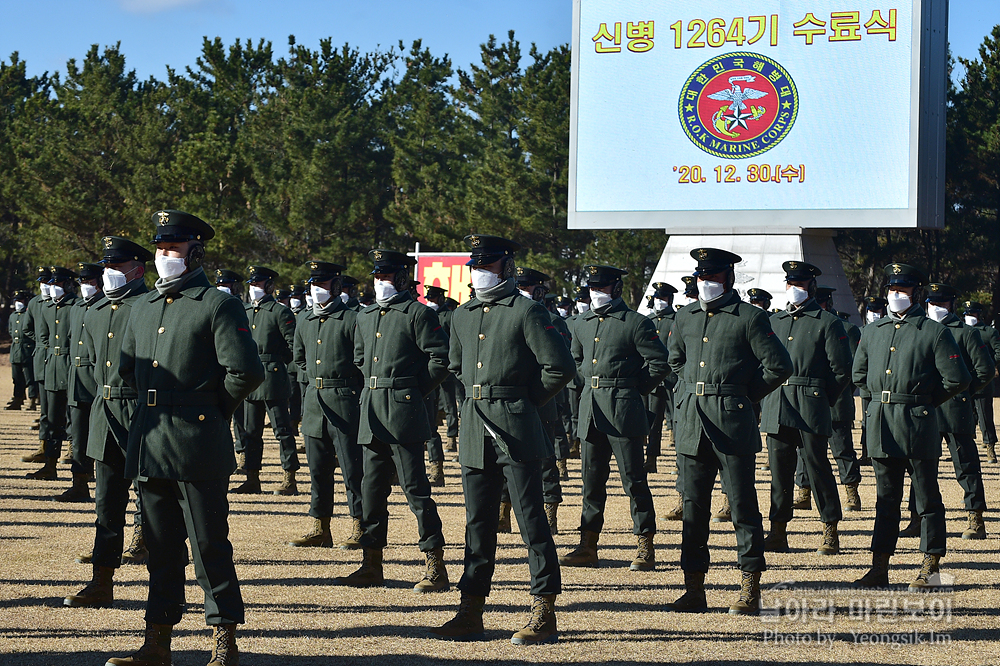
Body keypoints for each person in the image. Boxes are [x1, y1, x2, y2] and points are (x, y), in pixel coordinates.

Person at [109, 210, 265, 666]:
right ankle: (157, 641)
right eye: (159, 248)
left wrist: (212, 411)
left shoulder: (216, 303)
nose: (164, 256)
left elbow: (246, 372)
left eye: (173, 248)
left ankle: (224, 640)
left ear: (195, 252)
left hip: (198, 443)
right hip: (151, 441)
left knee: (209, 546)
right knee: (160, 548)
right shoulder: (140, 307)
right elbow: (126, 372)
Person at [430, 234, 575, 645]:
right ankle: (470, 610)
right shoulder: (462, 314)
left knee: (531, 523)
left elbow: (559, 367)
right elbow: (456, 366)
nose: (480, 272)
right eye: (476, 265)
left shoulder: (526, 311)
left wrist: (523, 401)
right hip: (476, 426)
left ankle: (543, 611)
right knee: (478, 524)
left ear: (507, 268)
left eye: (489, 265)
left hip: (517, 427)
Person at [666, 248, 792, 615]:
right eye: (701, 277)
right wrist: (688, 388)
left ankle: (749, 585)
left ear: (729, 279)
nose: (706, 284)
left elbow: (778, 365)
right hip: (691, 423)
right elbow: (675, 359)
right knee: (693, 508)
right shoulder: (685, 316)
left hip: (732, 421)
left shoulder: (750, 318)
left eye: (713, 277)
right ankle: (694, 588)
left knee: (742, 505)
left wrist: (743, 394)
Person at [335, 249, 450, 592]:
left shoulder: (418, 314)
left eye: (386, 277)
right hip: (372, 414)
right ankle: (371, 564)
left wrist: (411, 391)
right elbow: (359, 359)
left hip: (404, 413)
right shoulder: (366, 316)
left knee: (416, 492)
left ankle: (435, 566)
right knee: (371, 492)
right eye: (377, 277)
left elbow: (439, 359)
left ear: (402, 279)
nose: (380, 283)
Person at [852, 264, 970, 591]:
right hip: (882, 425)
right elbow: (859, 375)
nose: (895, 295)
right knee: (885, 500)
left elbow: (958, 378)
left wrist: (925, 401)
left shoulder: (933, 331)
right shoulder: (873, 331)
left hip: (918, 423)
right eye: (892, 289)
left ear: (915, 293)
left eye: (902, 290)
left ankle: (929, 568)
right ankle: (879, 567)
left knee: (926, 499)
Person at [560, 265, 669, 572]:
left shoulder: (635, 323)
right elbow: (577, 360)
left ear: (617, 289)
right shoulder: (581, 323)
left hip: (623, 411)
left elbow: (659, 363)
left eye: (602, 288)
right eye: (592, 287)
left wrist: (632, 390)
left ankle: (645, 545)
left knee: (633, 480)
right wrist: (591, 385)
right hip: (591, 411)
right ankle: (588, 545)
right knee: (591, 483)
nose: (596, 293)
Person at [64, 236, 154, 609]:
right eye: (107, 266)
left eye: (117, 266)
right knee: (107, 501)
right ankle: (102, 579)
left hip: (144, 412)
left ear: (138, 268)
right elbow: (89, 368)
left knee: (154, 498)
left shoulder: (149, 307)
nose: (109, 272)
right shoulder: (98, 310)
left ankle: (162, 577)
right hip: (106, 411)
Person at [759, 263, 852, 556]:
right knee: (779, 472)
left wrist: (822, 399)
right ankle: (778, 531)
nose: (794, 289)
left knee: (817, 467)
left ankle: (830, 528)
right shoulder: (775, 321)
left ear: (811, 287)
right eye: (790, 283)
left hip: (811, 402)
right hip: (778, 402)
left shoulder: (827, 322)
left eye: (800, 284)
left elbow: (841, 370)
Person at [897, 284, 994, 540]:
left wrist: (963, 393)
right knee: (918, 467)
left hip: (955, 410)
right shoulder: (920, 330)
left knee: (965, 465)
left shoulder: (966, 333)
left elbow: (984, 370)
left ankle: (975, 518)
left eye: (941, 304)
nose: (936, 308)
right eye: (932, 303)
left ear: (952, 304)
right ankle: (916, 518)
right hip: (924, 411)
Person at [289, 261, 365, 550]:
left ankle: (360, 525)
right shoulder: (305, 319)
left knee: (352, 471)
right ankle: (320, 527)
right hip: (314, 404)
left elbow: (360, 360)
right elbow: (299, 358)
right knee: (317, 471)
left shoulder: (351, 319)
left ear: (335, 286)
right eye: (313, 284)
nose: (316, 290)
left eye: (322, 284)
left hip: (344, 404)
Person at [792, 287, 864, 512]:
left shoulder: (848, 329)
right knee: (804, 451)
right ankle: (803, 492)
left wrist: (834, 392)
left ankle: (851, 491)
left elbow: (849, 368)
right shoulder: (801, 324)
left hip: (836, 400)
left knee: (842, 448)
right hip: (808, 402)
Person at [231, 266, 300, 496]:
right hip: (252, 379)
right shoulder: (246, 311)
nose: (254, 289)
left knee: (282, 431)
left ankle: (289, 477)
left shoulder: (280, 312)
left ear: (270, 287)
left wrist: (278, 365)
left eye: (258, 285)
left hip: (273, 378)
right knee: (251, 432)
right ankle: (252, 478)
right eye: (252, 285)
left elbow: (293, 347)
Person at [54, 262, 104, 502]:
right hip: (76, 378)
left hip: (97, 378)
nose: (86, 286)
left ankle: (107, 487)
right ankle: (79, 484)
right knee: (79, 434)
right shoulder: (76, 308)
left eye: (90, 282)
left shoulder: (105, 306)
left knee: (103, 436)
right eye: (83, 282)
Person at [28, 266, 80, 480]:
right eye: (52, 284)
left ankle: (79, 469)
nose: (53, 288)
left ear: (68, 285)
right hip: (52, 365)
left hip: (70, 365)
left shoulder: (77, 306)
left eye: (57, 284)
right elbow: (43, 335)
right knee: (51, 419)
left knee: (75, 420)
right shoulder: (48, 307)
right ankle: (50, 464)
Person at [645, 282, 678, 476]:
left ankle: (679, 461)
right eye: (657, 298)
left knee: (678, 421)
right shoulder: (648, 321)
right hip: (655, 379)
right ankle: (651, 459)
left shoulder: (676, 320)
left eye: (663, 299)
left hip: (673, 378)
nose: (659, 302)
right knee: (653, 422)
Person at [963, 301, 1000, 463]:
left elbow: (998, 352)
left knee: (985, 416)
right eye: (967, 314)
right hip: (965, 380)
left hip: (982, 380)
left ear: (980, 315)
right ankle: (963, 450)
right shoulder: (962, 331)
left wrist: (989, 366)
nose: (969, 317)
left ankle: (990, 447)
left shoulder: (989, 333)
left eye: (972, 314)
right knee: (964, 416)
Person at [6, 290, 36, 411]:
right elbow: (11, 331)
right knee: (16, 378)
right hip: (16, 350)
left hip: (27, 350)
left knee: (30, 378)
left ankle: (33, 400)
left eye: (21, 300)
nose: (18, 303)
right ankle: (17, 399)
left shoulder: (29, 315)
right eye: (16, 300)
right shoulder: (13, 316)